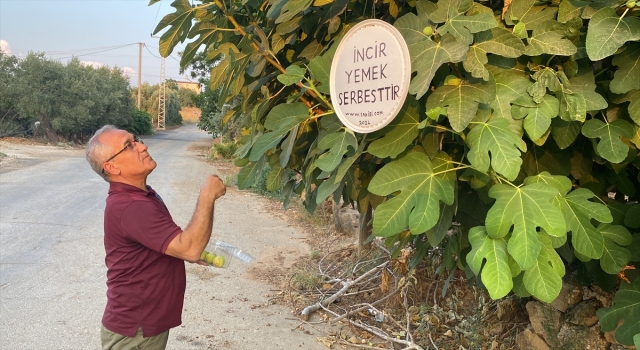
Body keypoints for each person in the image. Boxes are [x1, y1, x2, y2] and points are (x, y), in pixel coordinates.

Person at [85, 125, 226, 350]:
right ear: (112, 167)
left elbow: (168, 243)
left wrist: (187, 249)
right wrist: (207, 195)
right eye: (128, 146)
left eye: (136, 140)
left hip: (142, 324)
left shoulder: (140, 196)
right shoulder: (132, 206)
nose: (142, 146)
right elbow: (189, 248)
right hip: (136, 331)